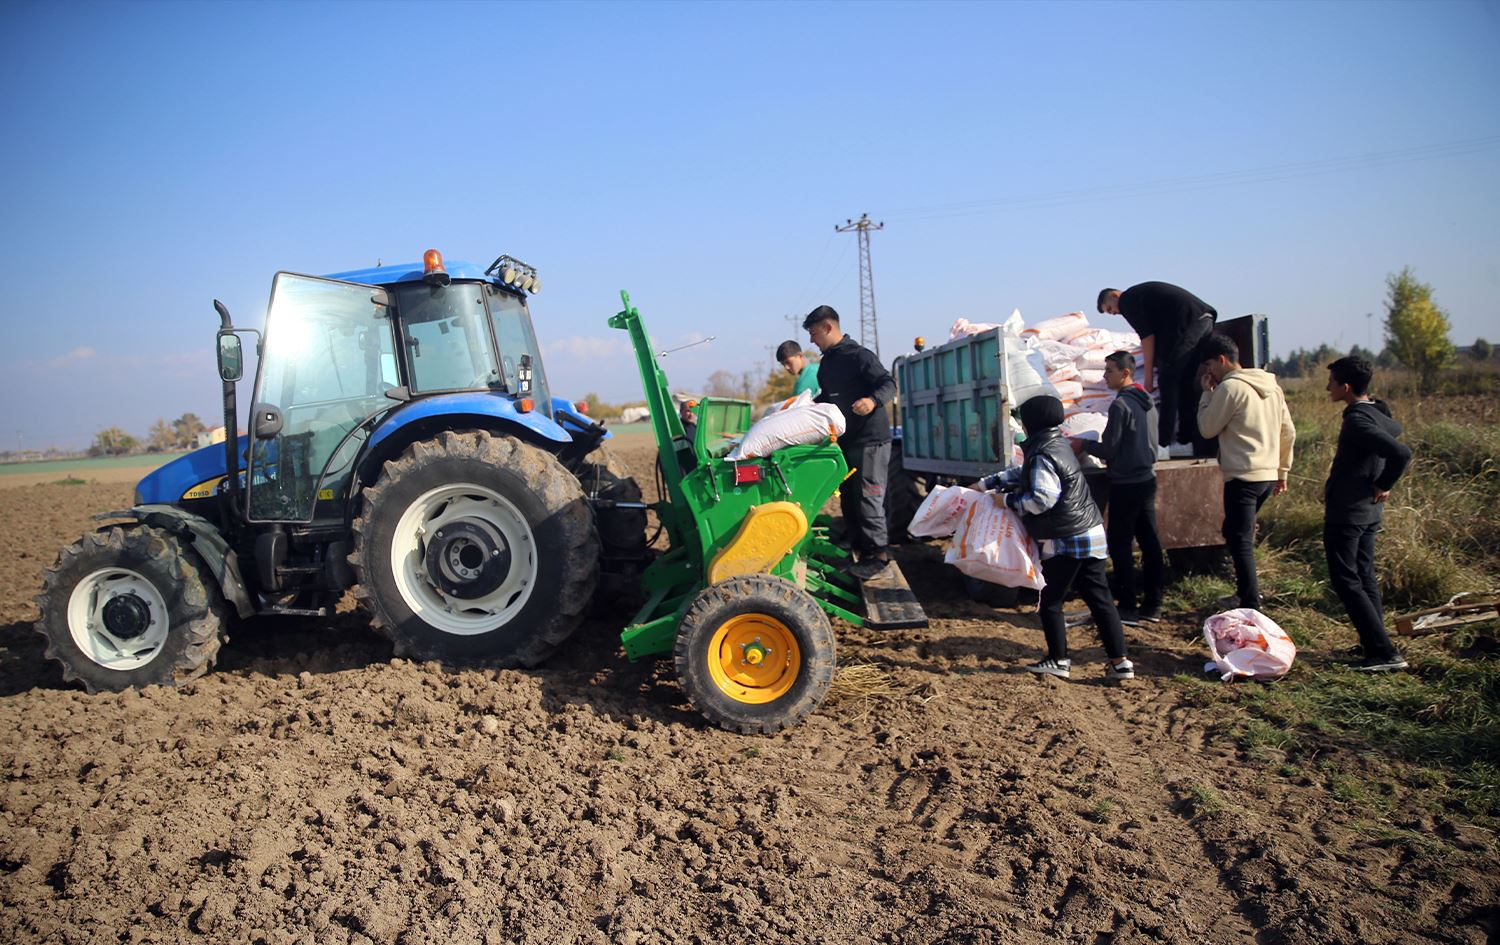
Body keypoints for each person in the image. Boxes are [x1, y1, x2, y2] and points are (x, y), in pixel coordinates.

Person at [983, 394, 1135, 681]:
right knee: (1099, 598)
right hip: (1090, 532)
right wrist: (987, 483)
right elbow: (1025, 473)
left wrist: (1007, 501)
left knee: (1050, 600)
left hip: (1068, 537)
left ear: (1031, 423)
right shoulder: (1058, 443)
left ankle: (1058, 660)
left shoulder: (1042, 452)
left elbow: (1042, 499)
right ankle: (1120, 663)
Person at [1323, 355, 1412, 672]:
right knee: (1364, 577)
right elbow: (1396, 428)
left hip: (1348, 513)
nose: (1327, 387)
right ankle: (1372, 643)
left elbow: (1401, 452)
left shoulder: (1358, 419)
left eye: (1331, 382)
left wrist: (1384, 481)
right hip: (1368, 513)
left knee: (1347, 579)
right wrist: (1380, 482)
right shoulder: (1377, 411)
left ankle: (1385, 652)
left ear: (1346, 387)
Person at [1195, 333, 1295, 611]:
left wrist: (1206, 395)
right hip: (1266, 475)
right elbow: (1288, 430)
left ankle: (1250, 602)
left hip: (1243, 476)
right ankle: (1244, 594)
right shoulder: (1272, 386)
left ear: (1223, 360)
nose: (1210, 373)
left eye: (1210, 366)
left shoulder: (1230, 389)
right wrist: (1282, 470)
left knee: (1240, 541)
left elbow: (1207, 428)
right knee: (1236, 531)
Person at [1070, 350, 1164, 625]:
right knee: (1149, 541)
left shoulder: (1121, 405)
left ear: (1125, 373)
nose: (1104, 376)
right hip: (1146, 478)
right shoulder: (1146, 401)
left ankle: (1127, 605)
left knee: (1120, 543)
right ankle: (1154, 604)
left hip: (1126, 482)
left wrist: (1084, 444)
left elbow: (1110, 449)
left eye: (1109, 371)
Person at [803, 305, 896, 578]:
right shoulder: (827, 364)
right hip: (846, 441)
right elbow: (829, 399)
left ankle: (878, 555)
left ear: (828, 327)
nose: (811, 340)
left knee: (868, 497)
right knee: (850, 499)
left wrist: (872, 400)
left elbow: (888, 383)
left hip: (871, 440)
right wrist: (805, 407)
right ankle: (860, 552)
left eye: (813, 333)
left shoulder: (860, 356)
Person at [1097, 282, 1218, 452]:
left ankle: (1163, 444)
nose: (1115, 313)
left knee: (1168, 380)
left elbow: (1147, 338)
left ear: (1115, 296)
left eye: (1110, 309)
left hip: (1191, 322)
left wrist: (1148, 379)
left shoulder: (1128, 300)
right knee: (1185, 382)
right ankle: (1186, 441)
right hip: (1203, 320)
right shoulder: (1141, 297)